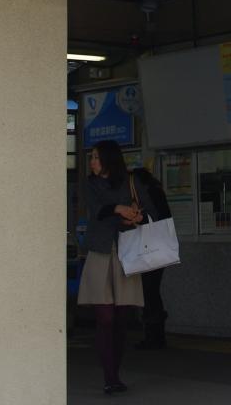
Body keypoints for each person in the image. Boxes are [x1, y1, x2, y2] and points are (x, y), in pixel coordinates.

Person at [77, 141, 143, 395]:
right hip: (100, 252)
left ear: (108, 159)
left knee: (121, 319)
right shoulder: (90, 184)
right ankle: (109, 377)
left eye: (96, 157)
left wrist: (135, 214)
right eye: (91, 157)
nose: (92, 162)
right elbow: (97, 211)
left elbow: (143, 208)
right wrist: (118, 208)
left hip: (125, 253)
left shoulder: (128, 181)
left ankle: (115, 374)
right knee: (105, 318)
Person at [130, 166, 172, 349]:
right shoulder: (157, 191)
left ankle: (153, 336)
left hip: (150, 247)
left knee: (149, 292)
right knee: (152, 291)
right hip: (161, 245)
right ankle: (157, 335)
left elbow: (150, 218)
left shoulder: (146, 196)